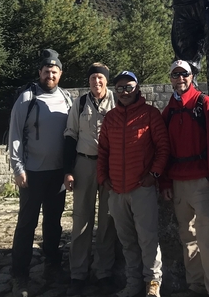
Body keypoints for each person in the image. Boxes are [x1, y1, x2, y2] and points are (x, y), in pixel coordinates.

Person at [97, 71, 170, 297]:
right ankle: (133, 282)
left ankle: (152, 283)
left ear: (137, 88)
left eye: (129, 87)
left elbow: (163, 148)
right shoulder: (110, 118)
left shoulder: (150, 114)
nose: (125, 92)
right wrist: (103, 179)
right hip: (116, 190)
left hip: (142, 188)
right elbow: (103, 152)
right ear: (115, 91)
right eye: (120, 88)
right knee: (127, 240)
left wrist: (154, 175)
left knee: (148, 239)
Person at [161, 60, 209, 297]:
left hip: (202, 182)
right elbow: (165, 149)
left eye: (184, 74)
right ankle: (196, 286)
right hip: (178, 182)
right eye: (175, 75)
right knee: (187, 237)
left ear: (192, 77)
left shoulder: (205, 104)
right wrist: (166, 182)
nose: (180, 79)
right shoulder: (169, 110)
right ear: (170, 78)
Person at [9, 49, 72, 297]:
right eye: (46, 71)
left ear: (60, 74)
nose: (50, 74)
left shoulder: (66, 98)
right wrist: (18, 168)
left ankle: (52, 266)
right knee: (26, 225)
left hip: (57, 173)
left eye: (54, 71)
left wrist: (70, 170)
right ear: (40, 73)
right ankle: (20, 275)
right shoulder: (27, 98)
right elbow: (15, 135)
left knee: (53, 223)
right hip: (32, 173)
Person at [63, 63, 117, 296]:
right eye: (93, 78)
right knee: (81, 219)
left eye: (101, 78)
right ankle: (78, 273)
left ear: (107, 80)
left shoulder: (116, 101)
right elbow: (70, 135)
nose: (97, 82)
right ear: (89, 81)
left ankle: (104, 271)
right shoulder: (80, 103)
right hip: (84, 163)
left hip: (109, 165)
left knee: (107, 220)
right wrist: (68, 170)